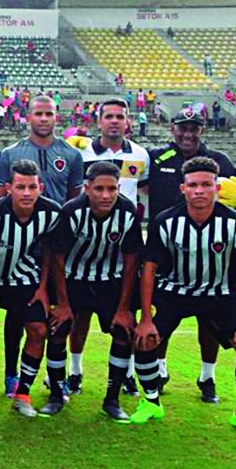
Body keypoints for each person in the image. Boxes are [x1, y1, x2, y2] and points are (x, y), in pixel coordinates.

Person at [132, 157, 236, 438]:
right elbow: (149, 269)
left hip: (220, 295)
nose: (200, 191)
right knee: (145, 339)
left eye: (206, 184)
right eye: (193, 185)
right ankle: (151, 402)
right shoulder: (165, 221)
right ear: (183, 188)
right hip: (173, 292)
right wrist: (145, 318)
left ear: (217, 187)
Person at [145, 105, 236, 401]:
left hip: (213, 256)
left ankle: (207, 376)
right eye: (183, 127)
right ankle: (160, 370)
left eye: (194, 128)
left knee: (209, 320)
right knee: (162, 321)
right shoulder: (157, 158)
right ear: (173, 129)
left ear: (201, 130)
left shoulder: (220, 161)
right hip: (167, 253)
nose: (188, 134)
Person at [0, 96, 81, 397]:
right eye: (38, 113)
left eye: (49, 114)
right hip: (16, 246)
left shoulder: (71, 155)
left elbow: (72, 201)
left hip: (53, 246)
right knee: (15, 317)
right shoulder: (10, 154)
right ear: (28, 117)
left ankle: (56, 379)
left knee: (51, 316)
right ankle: (10, 375)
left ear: (57, 117)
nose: (44, 119)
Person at [45, 162, 143, 420]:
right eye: (99, 189)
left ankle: (112, 400)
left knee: (123, 332)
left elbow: (132, 259)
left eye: (112, 189)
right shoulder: (72, 211)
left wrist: (124, 308)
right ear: (87, 188)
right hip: (73, 279)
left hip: (110, 281)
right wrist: (63, 303)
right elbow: (57, 256)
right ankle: (56, 395)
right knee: (58, 329)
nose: (106, 195)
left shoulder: (128, 212)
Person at [65, 98, 150, 395]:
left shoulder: (140, 154)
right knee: (79, 318)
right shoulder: (80, 151)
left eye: (120, 116)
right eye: (109, 116)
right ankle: (74, 371)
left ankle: (126, 374)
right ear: (98, 120)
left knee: (126, 316)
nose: (115, 121)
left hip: (123, 241)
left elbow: (145, 190)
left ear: (128, 121)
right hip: (85, 241)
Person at [0, 160, 62, 416]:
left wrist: (43, 288)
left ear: (41, 187)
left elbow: (51, 250)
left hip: (24, 276)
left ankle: (23, 393)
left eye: (32, 187)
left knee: (38, 330)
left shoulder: (51, 212)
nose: (26, 193)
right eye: (20, 187)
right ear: (9, 188)